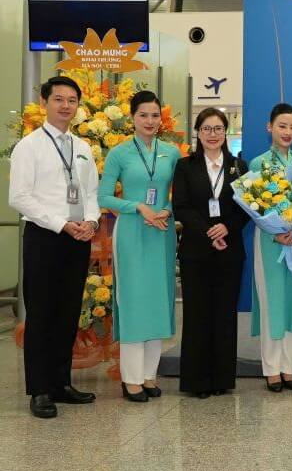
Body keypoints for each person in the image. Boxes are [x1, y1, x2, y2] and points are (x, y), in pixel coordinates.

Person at [9, 76, 99, 419]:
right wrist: (61, 224)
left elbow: (91, 192)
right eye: (59, 99)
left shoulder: (83, 147)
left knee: (67, 313)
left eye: (72, 100)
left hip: (78, 239)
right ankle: (40, 389)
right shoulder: (29, 146)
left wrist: (90, 222)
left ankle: (61, 383)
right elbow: (19, 197)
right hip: (45, 238)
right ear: (45, 102)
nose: (66, 106)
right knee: (42, 315)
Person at [98, 90, 180, 402]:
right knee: (133, 301)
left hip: (162, 230)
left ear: (162, 119)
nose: (150, 121)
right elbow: (103, 197)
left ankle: (149, 376)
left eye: (155, 115)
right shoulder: (119, 153)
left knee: (158, 301)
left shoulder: (171, 153)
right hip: (132, 231)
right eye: (143, 115)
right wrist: (138, 206)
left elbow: (180, 192)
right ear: (132, 117)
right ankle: (130, 378)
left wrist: (167, 209)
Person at [172, 108, 249, 398]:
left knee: (224, 314)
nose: (213, 134)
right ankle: (196, 381)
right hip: (195, 250)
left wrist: (226, 228)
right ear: (198, 132)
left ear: (225, 132)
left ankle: (221, 379)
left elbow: (247, 208)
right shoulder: (185, 166)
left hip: (230, 251)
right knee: (197, 314)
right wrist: (208, 231)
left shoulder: (239, 167)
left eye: (218, 129)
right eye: (207, 129)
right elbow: (181, 205)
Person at [249, 103, 292, 392]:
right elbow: (255, 207)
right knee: (272, 302)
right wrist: (276, 233)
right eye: (282, 126)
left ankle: (289, 368)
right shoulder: (258, 163)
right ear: (270, 127)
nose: (287, 132)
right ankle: (271, 368)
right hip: (270, 241)